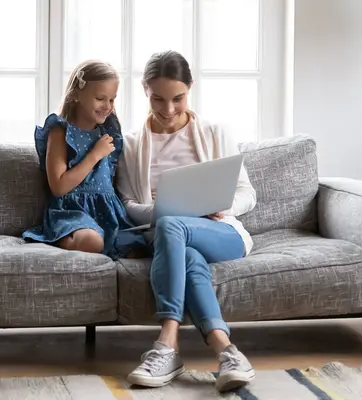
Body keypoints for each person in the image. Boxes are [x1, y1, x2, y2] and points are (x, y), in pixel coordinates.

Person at [116, 50, 257, 393]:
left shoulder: (214, 132)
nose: (167, 109)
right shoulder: (132, 145)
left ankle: (167, 342)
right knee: (183, 248)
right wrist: (167, 210)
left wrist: (221, 207)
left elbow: (247, 194)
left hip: (221, 232)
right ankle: (227, 351)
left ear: (191, 88)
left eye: (177, 98)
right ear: (144, 90)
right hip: (170, 236)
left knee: (172, 226)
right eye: (157, 99)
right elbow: (128, 205)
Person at [23, 60, 146, 259]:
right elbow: (59, 186)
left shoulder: (109, 133)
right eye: (100, 98)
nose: (107, 106)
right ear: (77, 95)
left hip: (108, 211)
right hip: (72, 211)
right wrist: (94, 155)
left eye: (112, 100)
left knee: (142, 248)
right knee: (92, 241)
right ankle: (61, 238)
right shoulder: (60, 131)